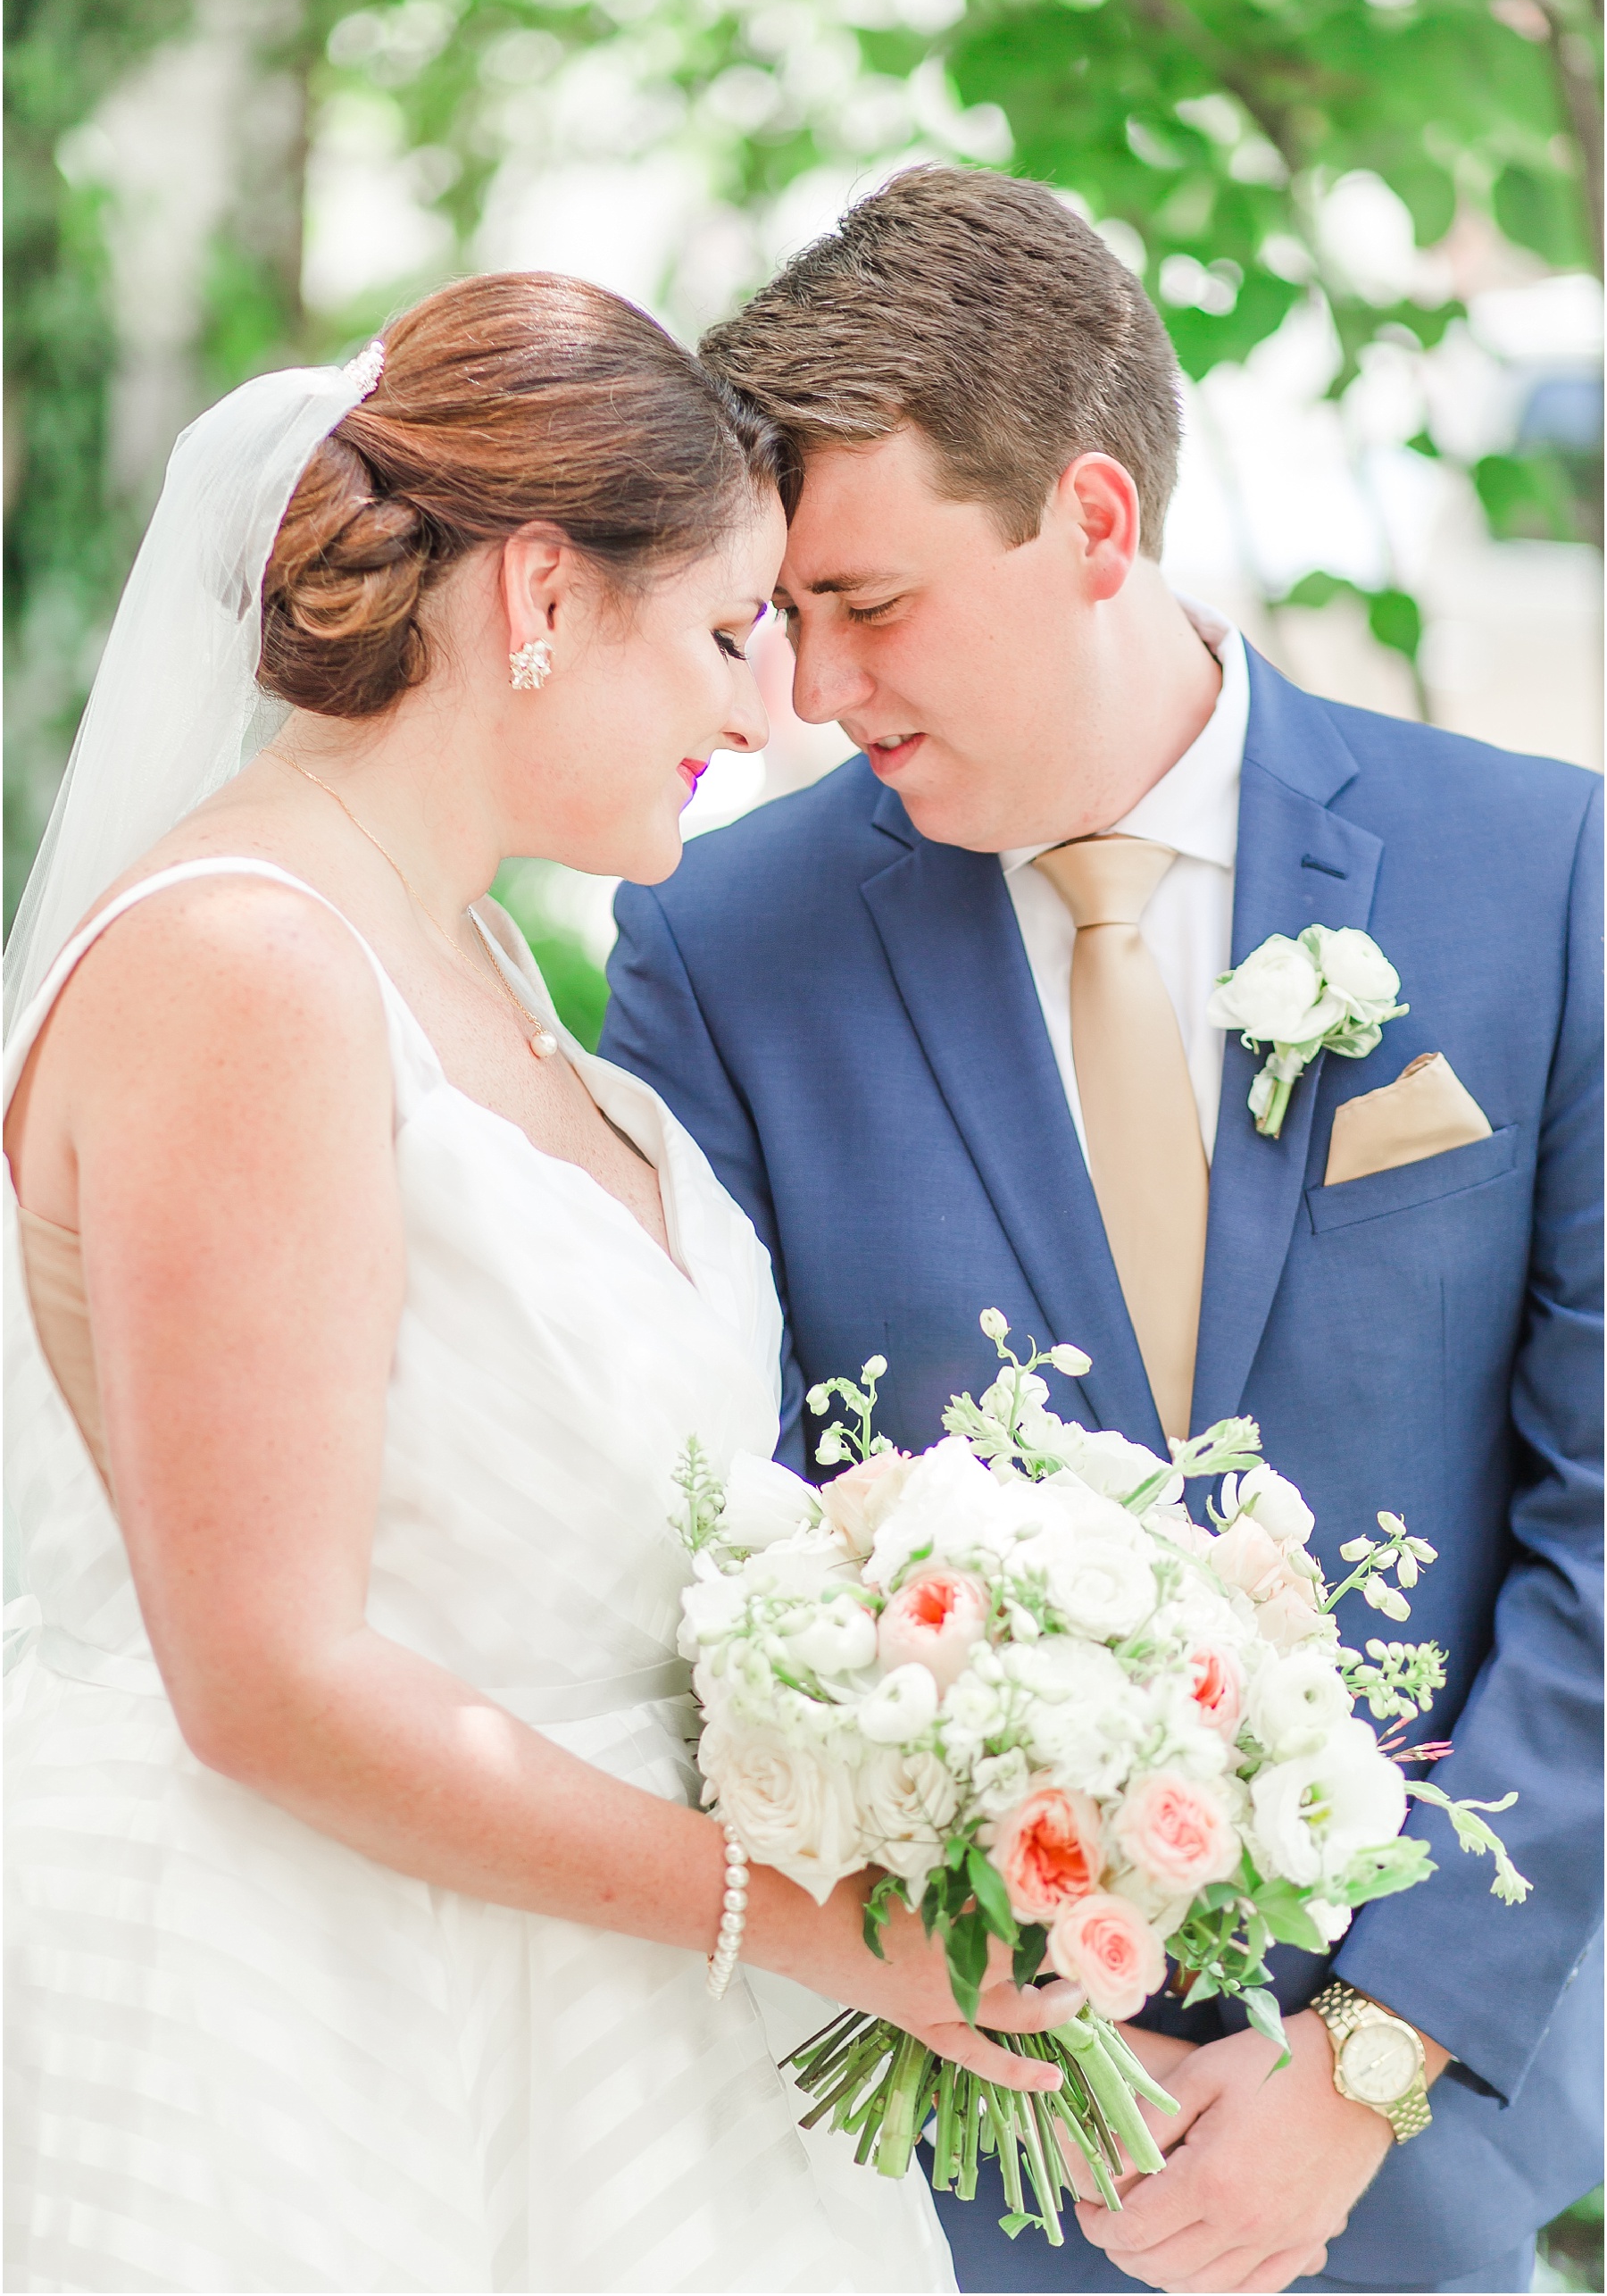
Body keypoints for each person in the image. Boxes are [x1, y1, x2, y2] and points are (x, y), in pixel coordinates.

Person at [2, 269, 1089, 2294]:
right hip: (319, 2025)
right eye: (730, 627)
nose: (764, 708)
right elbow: (266, 1679)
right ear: (538, 595)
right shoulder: (245, 970)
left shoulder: (469, 952)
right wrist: (808, 1915)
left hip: (594, 2012)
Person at [601, 168, 1603, 2296]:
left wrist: (1375, 2056)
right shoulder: (719, 952)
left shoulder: (1542, 877)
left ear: (1090, 522)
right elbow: (708, 1526)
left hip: (1428, 2140)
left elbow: (1600, 1527)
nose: (808, 691)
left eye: (867, 603)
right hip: (946, 2158)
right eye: (778, 616)